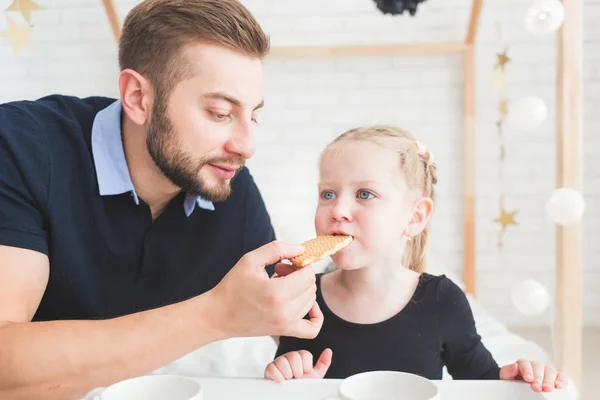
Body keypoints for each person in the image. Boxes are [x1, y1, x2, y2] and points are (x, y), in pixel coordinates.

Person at [0, 1, 323, 399]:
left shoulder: (226, 185)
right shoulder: (20, 147)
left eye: (251, 116)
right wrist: (216, 314)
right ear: (137, 97)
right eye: (220, 113)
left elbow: (297, 330)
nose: (246, 146)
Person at [264, 125, 569, 393]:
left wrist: (515, 378)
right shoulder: (304, 295)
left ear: (415, 216)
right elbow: (288, 377)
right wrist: (288, 373)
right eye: (328, 194)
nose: (337, 209)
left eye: (365, 194)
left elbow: (482, 381)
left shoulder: (442, 300)